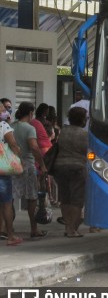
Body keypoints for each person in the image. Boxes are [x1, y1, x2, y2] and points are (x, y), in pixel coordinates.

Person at [11, 102, 47, 239]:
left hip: (13, 165)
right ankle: (34, 228)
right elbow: (34, 147)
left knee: (10, 198)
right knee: (32, 198)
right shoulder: (30, 128)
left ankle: (7, 227)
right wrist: (42, 165)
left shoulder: (12, 126)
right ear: (31, 113)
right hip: (27, 165)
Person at [54, 107, 89, 238]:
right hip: (77, 168)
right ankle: (73, 229)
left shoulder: (63, 131)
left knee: (65, 198)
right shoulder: (84, 135)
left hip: (60, 167)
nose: (86, 120)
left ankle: (68, 227)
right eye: (85, 118)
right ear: (81, 119)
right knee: (77, 200)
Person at [0, 102, 22, 245]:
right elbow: (13, 144)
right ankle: (10, 236)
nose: (5, 112)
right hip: (2, 171)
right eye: (2, 109)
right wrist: (18, 158)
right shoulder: (3, 126)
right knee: (6, 204)